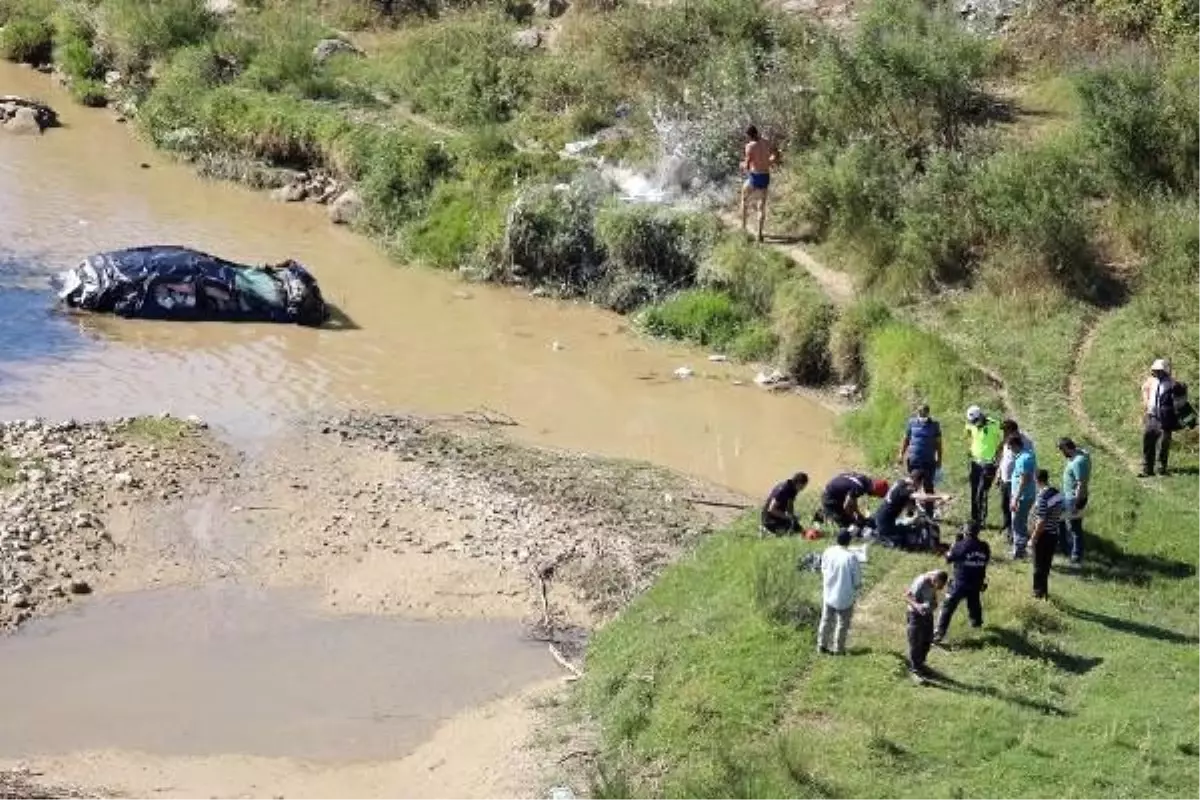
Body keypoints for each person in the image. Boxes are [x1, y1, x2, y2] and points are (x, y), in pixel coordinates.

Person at [934, 523, 991, 643]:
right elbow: (985, 560)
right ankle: (977, 626)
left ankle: (939, 633)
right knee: (974, 603)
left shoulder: (961, 545)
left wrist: (953, 546)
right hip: (977, 582)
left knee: (948, 607)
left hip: (960, 583)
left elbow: (948, 559)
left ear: (965, 532)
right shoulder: (984, 546)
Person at [872, 469, 951, 550]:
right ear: (917, 481)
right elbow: (923, 497)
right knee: (909, 537)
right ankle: (883, 538)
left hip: (881, 518)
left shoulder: (900, 482)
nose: (920, 486)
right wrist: (941, 497)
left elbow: (909, 504)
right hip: (885, 525)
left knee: (911, 527)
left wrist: (916, 511)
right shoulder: (905, 489)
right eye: (920, 484)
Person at [817, 529, 862, 655]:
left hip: (829, 593)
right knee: (842, 624)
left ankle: (822, 645)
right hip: (844, 595)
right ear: (849, 542)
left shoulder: (828, 551)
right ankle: (838, 649)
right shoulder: (851, 557)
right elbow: (857, 579)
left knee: (825, 620)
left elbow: (823, 569)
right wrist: (857, 588)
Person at [904, 569, 948, 683]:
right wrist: (917, 606)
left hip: (927, 614)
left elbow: (932, 596)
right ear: (934, 578)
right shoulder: (920, 582)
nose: (937, 587)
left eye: (940, 585)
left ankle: (920, 664)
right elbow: (907, 596)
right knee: (916, 642)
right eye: (936, 584)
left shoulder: (936, 580)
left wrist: (934, 603)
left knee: (927, 640)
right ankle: (915, 671)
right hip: (915, 615)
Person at [898, 403, 942, 515]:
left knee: (928, 487)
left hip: (928, 461)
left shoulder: (934, 425)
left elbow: (938, 444)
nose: (922, 415)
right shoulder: (911, 423)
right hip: (914, 460)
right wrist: (901, 454)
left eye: (924, 413)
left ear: (928, 413)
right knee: (911, 486)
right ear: (917, 413)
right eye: (920, 413)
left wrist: (939, 459)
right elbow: (906, 439)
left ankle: (929, 513)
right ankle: (910, 512)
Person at [964, 406, 1002, 529]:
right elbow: (968, 435)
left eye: (975, 421)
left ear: (981, 416)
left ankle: (981, 520)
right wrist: (970, 449)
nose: (974, 423)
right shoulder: (970, 425)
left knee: (982, 491)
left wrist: (998, 456)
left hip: (988, 463)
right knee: (974, 491)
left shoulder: (994, 424)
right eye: (972, 422)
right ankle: (974, 519)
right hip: (975, 463)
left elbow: (1003, 440)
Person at [997, 420, 1035, 542]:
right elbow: (1003, 457)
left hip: (1015, 481)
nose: (1003, 434)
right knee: (1004, 505)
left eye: (1005, 431)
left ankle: (1014, 533)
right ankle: (1007, 526)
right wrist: (999, 474)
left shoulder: (1026, 442)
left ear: (1012, 430)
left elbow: (1027, 464)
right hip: (1004, 478)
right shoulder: (1007, 440)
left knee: (1013, 507)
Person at [740, 125, 779, 243]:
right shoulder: (766, 142)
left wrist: (741, 165)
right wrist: (770, 161)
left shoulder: (749, 146)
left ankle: (743, 228)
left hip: (755, 176)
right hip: (765, 176)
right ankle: (760, 234)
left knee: (744, 199)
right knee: (761, 206)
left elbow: (747, 166)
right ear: (757, 132)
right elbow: (776, 154)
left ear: (748, 135)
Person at [1057, 438, 1091, 565]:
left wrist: (1076, 504)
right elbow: (1085, 452)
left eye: (1062, 450)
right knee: (1059, 519)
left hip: (1074, 499)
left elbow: (1080, 484)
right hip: (1068, 497)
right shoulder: (1081, 456)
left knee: (1075, 528)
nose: (1062, 453)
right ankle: (1064, 547)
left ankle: (1076, 556)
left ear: (1066, 448)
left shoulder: (1078, 462)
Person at [1141, 358, 1175, 477]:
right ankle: (1147, 468)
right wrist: (1146, 403)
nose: (1157, 373)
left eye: (1160, 370)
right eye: (1156, 370)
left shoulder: (1171, 383)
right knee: (1148, 441)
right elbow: (1144, 390)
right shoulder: (1151, 381)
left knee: (1163, 444)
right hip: (1152, 416)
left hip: (1165, 418)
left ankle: (1161, 468)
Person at [1031, 470, 1063, 599]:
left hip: (1043, 535)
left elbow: (1041, 521)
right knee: (1046, 565)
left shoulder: (1042, 498)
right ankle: (1044, 592)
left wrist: (1033, 538)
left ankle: (1037, 592)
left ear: (1037, 480)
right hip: (1054, 533)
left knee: (1038, 565)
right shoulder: (1057, 494)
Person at [820, 472, 888, 528]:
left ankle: (825, 514)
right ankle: (822, 517)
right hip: (830, 498)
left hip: (837, 492)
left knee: (854, 520)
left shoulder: (864, 480)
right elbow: (847, 505)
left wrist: (858, 514)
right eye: (876, 495)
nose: (874, 497)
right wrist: (852, 519)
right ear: (874, 491)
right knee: (848, 525)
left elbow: (853, 499)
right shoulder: (860, 487)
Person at [1008, 433, 1037, 560]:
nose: (1010, 450)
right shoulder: (1028, 454)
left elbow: (1025, 479)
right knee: (1021, 522)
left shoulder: (1024, 458)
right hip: (1026, 495)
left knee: (1017, 523)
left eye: (1010, 447)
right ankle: (1021, 548)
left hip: (1022, 497)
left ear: (1015, 445)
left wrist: (1015, 498)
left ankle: (1019, 551)